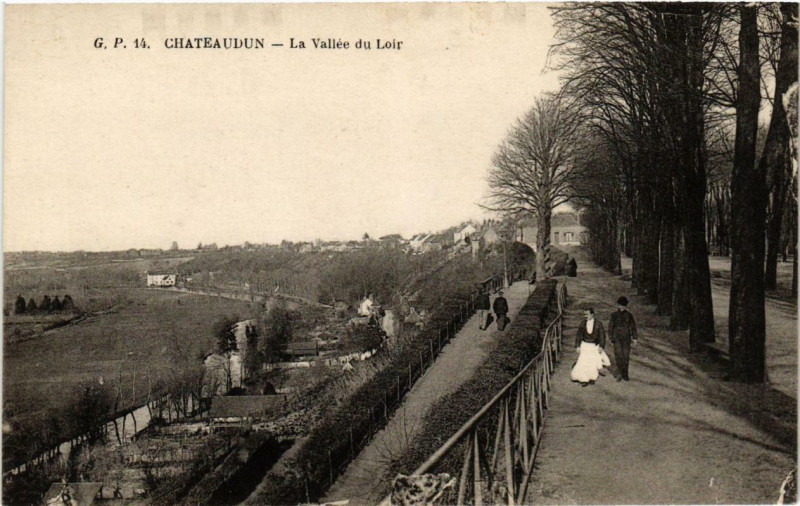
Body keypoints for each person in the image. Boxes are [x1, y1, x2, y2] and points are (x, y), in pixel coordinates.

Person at [570, 308, 608, 386]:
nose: (585, 316)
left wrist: (601, 346)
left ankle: (591, 378)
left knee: (591, 362)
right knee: (583, 361)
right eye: (585, 315)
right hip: (584, 345)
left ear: (592, 314)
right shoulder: (583, 323)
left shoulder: (598, 324)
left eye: (587, 314)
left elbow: (602, 336)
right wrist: (577, 346)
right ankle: (583, 379)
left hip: (593, 346)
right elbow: (579, 335)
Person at [608, 296, 638, 381]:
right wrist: (610, 337)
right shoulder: (614, 315)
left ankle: (625, 374)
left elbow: (633, 327)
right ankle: (620, 373)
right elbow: (611, 327)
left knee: (625, 356)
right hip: (616, 338)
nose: (622, 307)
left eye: (624, 306)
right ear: (618, 305)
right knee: (618, 355)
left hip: (626, 338)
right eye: (620, 305)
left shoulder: (629, 315)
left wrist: (635, 338)